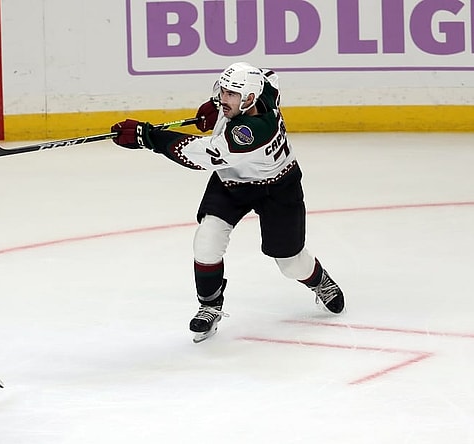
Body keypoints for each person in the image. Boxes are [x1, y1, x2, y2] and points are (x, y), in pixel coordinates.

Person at [110, 62, 345, 343]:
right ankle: (210, 306)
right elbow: (269, 75)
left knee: (290, 263)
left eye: (231, 94)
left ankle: (319, 280)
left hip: (278, 187)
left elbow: (200, 155)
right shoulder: (265, 89)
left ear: (249, 99)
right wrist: (215, 108)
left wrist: (147, 136)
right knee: (206, 241)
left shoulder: (252, 131)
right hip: (232, 183)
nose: (223, 98)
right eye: (222, 91)